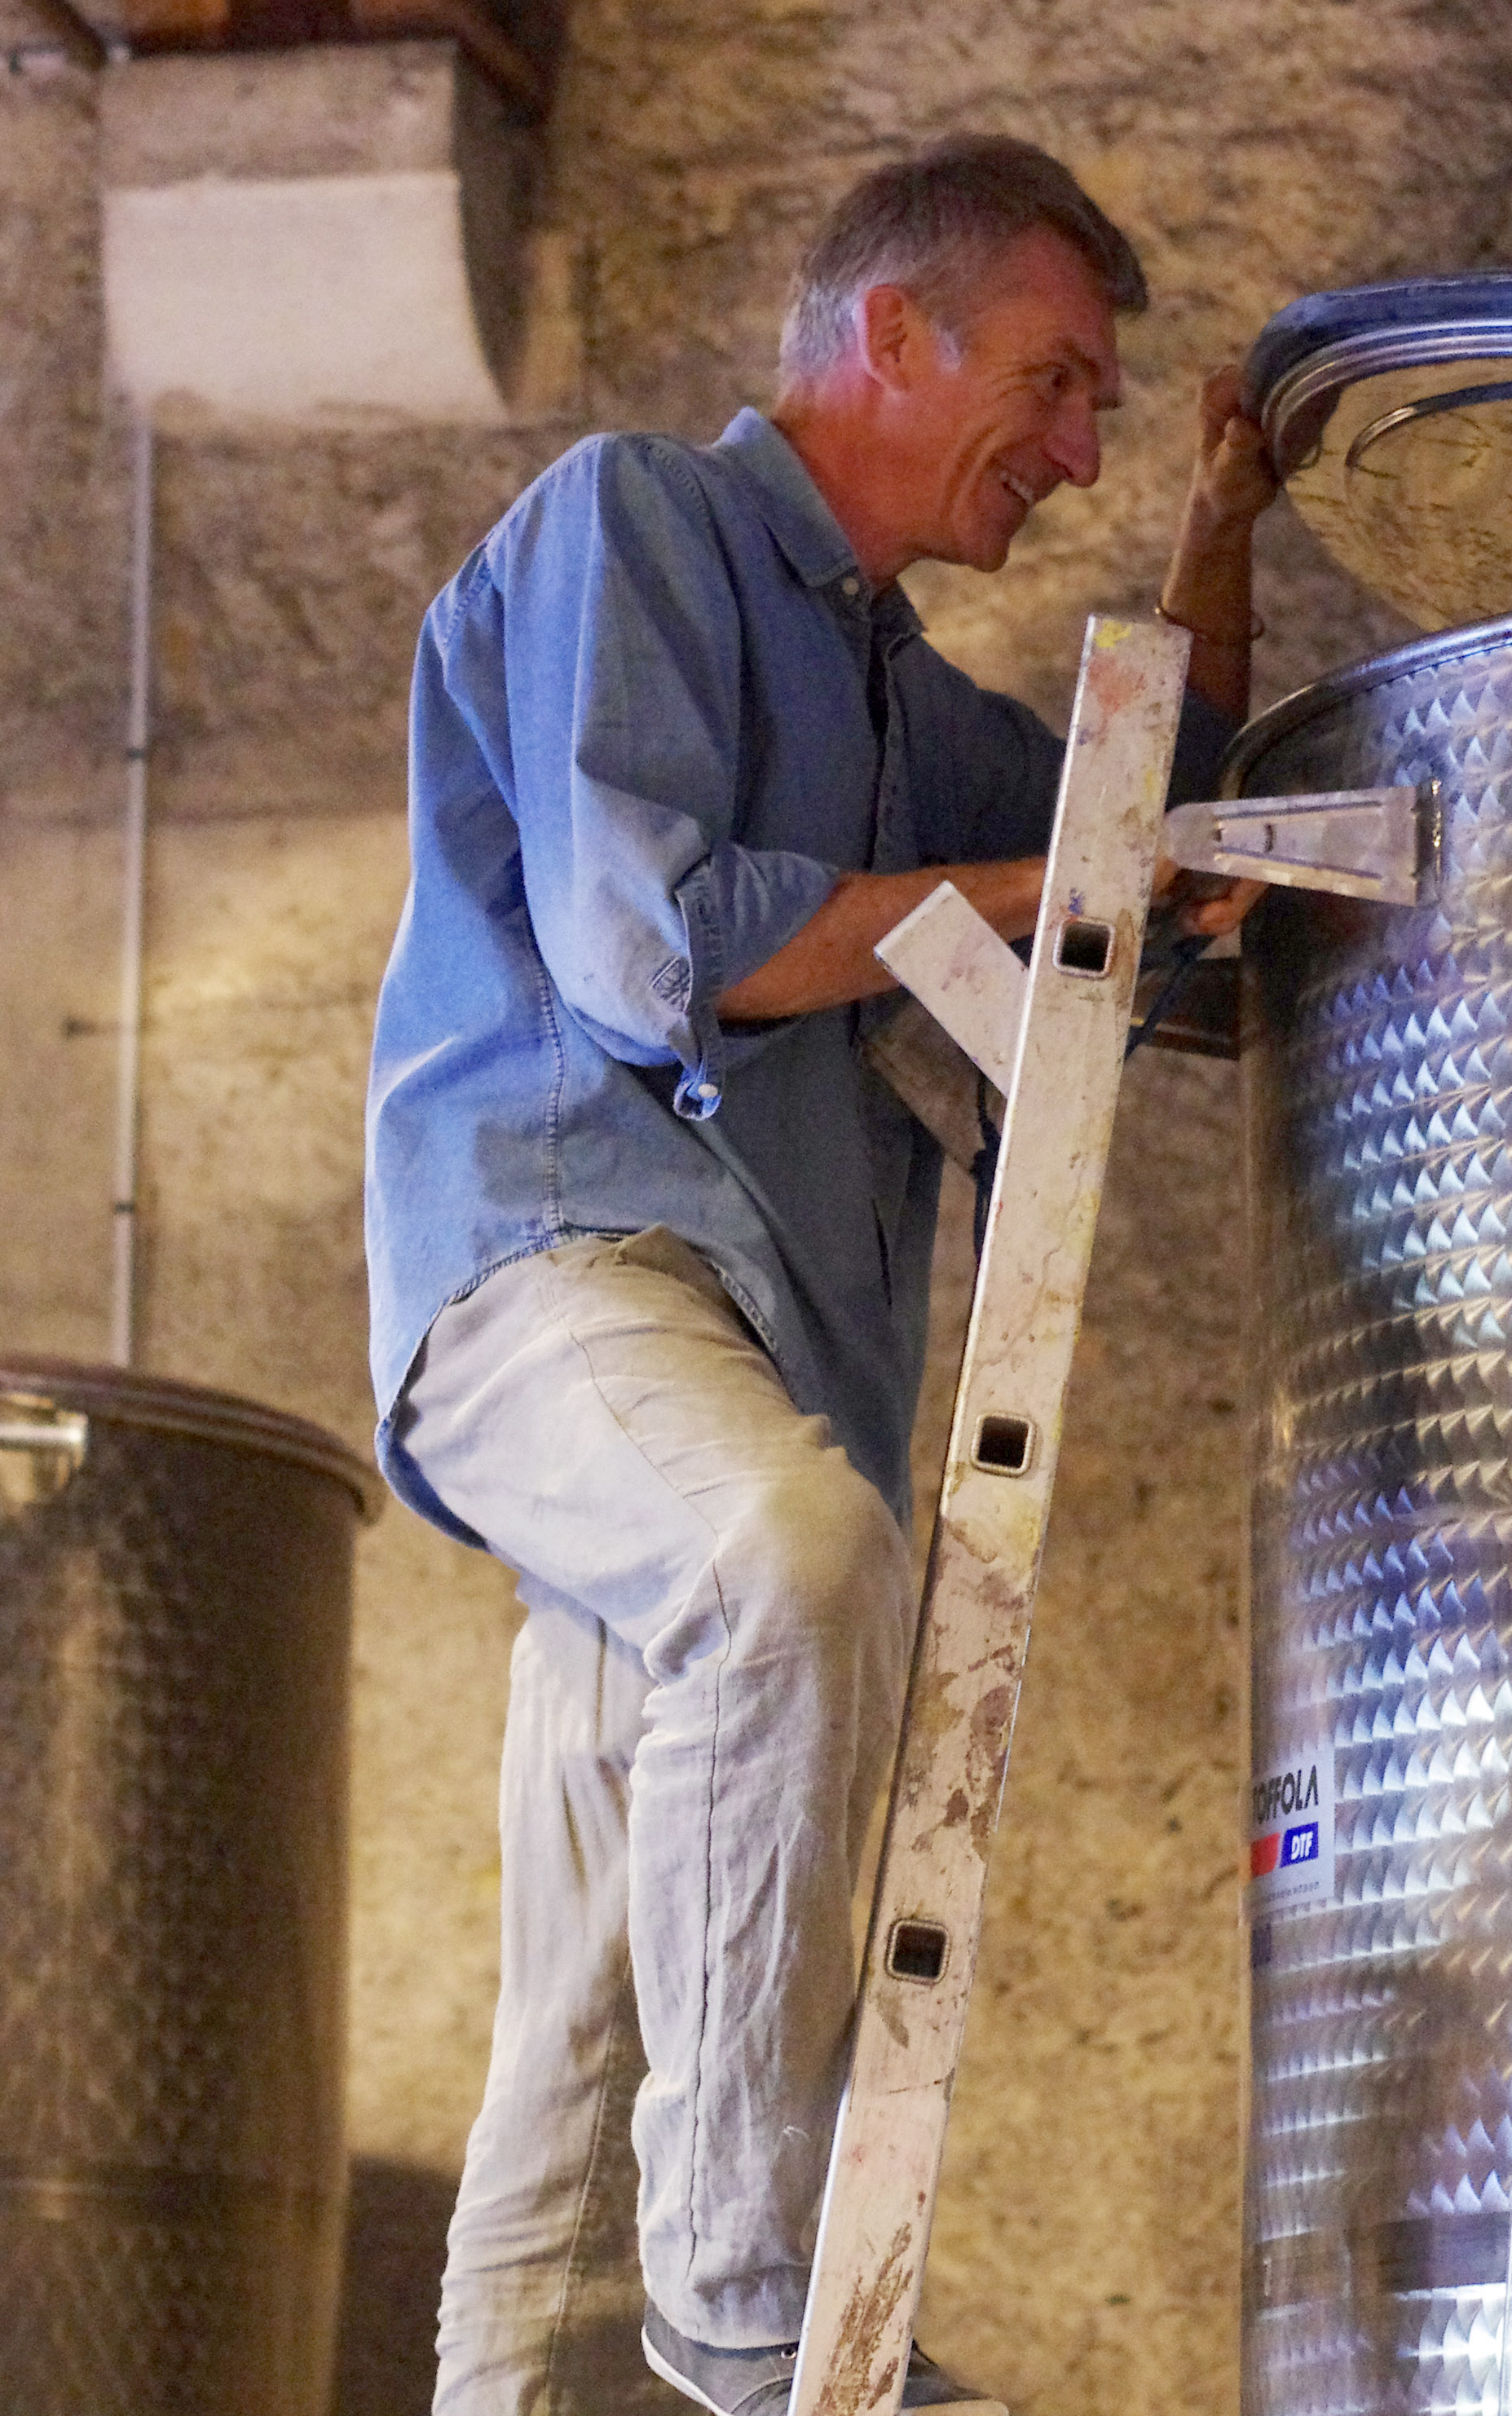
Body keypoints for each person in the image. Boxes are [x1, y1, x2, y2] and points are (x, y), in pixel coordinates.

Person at [360, 134, 1275, 2416]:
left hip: (746, 1361)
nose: (1072, 450)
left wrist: (1218, 534)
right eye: (1056, 386)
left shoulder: (898, 702)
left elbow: (1150, 834)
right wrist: (1034, 889)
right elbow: (651, 933)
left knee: (581, 2008)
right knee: (790, 1569)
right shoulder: (632, 521)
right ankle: (762, 2301)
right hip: (564, 1277)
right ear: (893, 332)